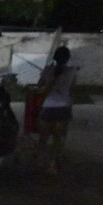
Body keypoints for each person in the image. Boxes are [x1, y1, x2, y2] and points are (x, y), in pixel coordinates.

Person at [37, 46, 77, 175]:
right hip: (63, 107)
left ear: (55, 57)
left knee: (43, 137)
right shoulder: (72, 71)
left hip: (48, 106)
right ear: (67, 58)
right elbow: (72, 90)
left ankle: (41, 161)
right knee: (57, 138)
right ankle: (53, 164)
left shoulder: (48, 70)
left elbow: (40, 86)